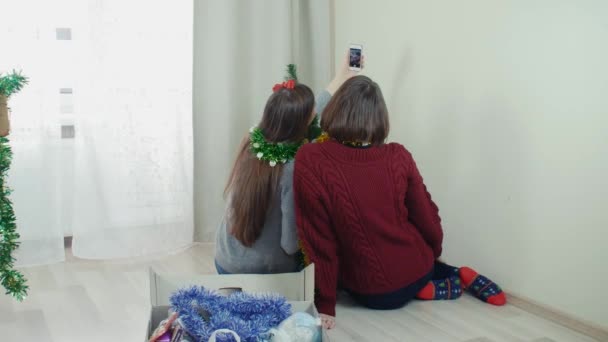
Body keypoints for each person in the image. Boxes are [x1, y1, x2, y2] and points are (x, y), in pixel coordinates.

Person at [293, 75, 506, 329]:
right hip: (417, 266)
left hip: (372, 293)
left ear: (336, 109)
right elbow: (427, 218)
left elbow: (318, 238)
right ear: (380, 117)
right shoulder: (399, 155)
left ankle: (434, 285)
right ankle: (448, 275)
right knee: (416, 266)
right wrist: (433, 256)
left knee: (388, 280)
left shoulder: (311, 157)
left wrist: (325, 304)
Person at [214, 56, 362, 274]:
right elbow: (289, 244)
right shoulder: (292, 167)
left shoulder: (251, 141)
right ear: (300, 126)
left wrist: (342, 76)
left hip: (224, 264)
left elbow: (309, 113)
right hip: (265, 272)